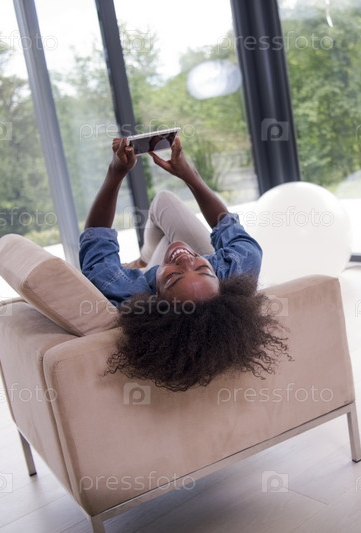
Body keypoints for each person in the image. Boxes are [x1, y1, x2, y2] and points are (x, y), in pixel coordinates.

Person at [79, 136, 287, 392]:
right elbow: (226, 224)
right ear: (219, 279)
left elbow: (96, 237)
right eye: (203, 268)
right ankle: (147, 261)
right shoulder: (237, 268)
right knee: (164, 202)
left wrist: (115, 172)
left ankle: (146, 263)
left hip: (148, 277)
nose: (185, 259)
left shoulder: (126, 292)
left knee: (166, 216)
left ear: (155, 299)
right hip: (177, 272)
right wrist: (189, 174)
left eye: (173, 277)